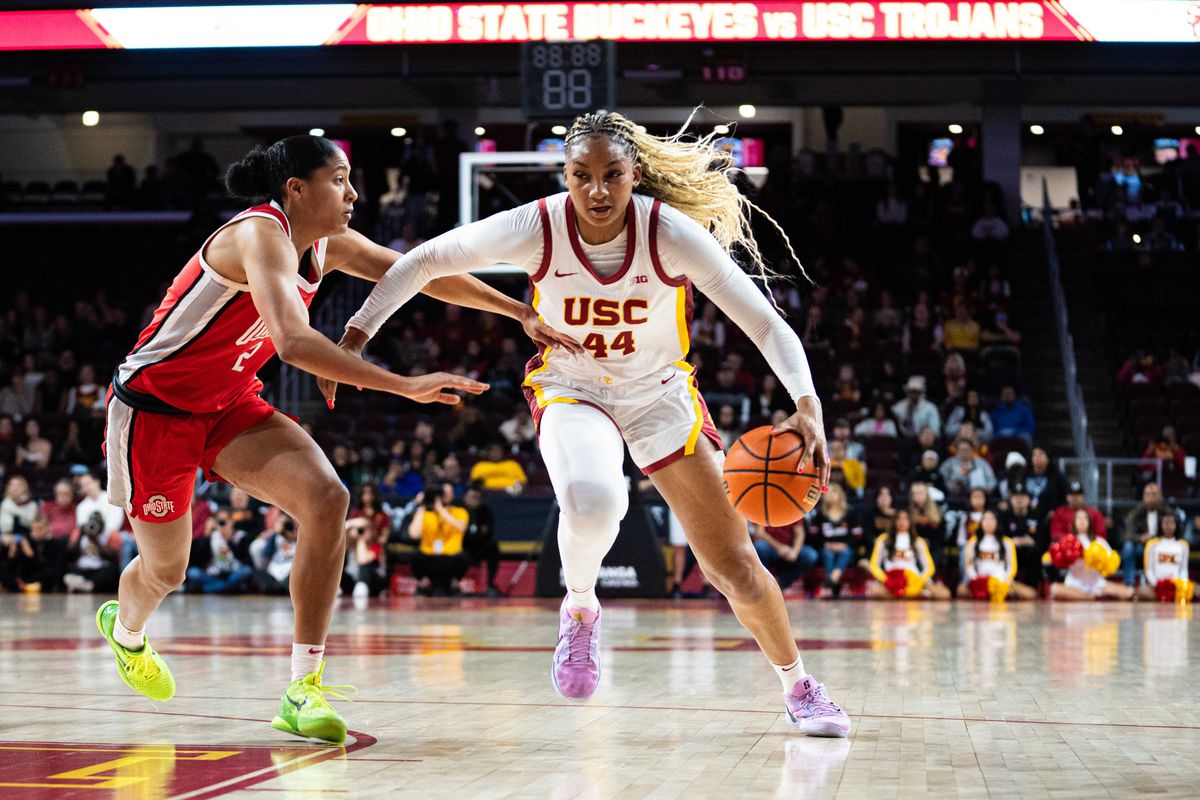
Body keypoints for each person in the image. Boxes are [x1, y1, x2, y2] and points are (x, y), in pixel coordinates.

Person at [325, 110, 850, 736]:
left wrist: (808, 403)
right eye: (582, 175)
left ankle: (799, 686)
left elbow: (764, 322)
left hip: (658, 394)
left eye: (612, 176)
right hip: (571, 387)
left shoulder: (671, 234)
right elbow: (422, 261)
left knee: (733, 566)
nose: (597, 191)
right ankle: (579, 611)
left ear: (635, 176)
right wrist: (355, 334)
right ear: (563, 174)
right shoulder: (536, 224)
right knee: (593, 499)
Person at [95, 135, 573, 745]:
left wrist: (518, 311)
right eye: (340, 180)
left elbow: (421, 272)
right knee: (167, 570)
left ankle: (303, 686)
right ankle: (127, 629)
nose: (353, 193)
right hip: (155, 411)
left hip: (229, 404)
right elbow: (293, 343)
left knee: (328, 499)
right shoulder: (257, 235)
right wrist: (403, 385)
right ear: (296, 189)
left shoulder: (328, 245)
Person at [1050, 509, 1132, 601]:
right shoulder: (1067, 541)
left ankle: (1090, 595)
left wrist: (1100, 560)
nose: (1082, 520)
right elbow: (1057, 560)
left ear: (1090, 522)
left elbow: (1111, 564)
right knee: (1055, 589)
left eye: (1085, 518)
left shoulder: (1099, 541)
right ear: (1073, 522)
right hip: (1074, 584)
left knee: (1129, 592)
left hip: (1097, 583)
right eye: (1079, 518)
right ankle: (1090, 597)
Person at [865, 510, 948, 599]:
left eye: (905, 519)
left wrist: (919, 580)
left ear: (910, 522)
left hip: (913, 578)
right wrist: (885, 579)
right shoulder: (882, 540)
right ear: (894, 521)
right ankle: (913, 595)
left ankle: (907, 594)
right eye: (899, 519)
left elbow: (929, 567)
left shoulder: (918, 541)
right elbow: (874, 565)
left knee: (944, 594)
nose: (902, 522)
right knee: (875, 591)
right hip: (891, 578)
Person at [408, 483, 469, 596]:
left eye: (448, 492)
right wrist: (421, 507)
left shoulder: (459, 511)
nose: (444, 495)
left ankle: (454, 584)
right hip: (429, 555)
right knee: (415, 556)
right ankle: (423, 584)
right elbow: (413, 535)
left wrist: (440, 508)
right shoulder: (424, 514)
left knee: (463, 557)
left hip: (451, 555)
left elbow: (461, 527)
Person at [963, 510, 1037, 600]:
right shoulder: (973, 542)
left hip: (1001, 580)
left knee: (1030, 594)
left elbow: (1011, 567)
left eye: (991, 519)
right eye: (985, 519)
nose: (988, 522)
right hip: (980, 581)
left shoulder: (1007, 542)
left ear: (997, 522)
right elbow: (969, 565)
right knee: (961, 590)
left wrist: (1003, 582)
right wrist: (976, 580)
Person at [1121, 482, 1179, 588]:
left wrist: (1159, 539)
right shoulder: (1136, 512)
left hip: (1162, 546)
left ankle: (1166, 583)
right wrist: (1140, 538)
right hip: (1142, 546)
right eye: (1147, 494)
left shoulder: (1168, 512)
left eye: (1154, 494)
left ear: (1161, 496)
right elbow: (1128, 534)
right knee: (1128, 547)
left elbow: (1177, 532)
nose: (1150, 497)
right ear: (1143, 496)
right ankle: (1129, 584)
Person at [810, 483, 862, 598]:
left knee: (845, 552)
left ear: (840, 495)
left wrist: (844, 544)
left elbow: (857, 536)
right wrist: (826, 544)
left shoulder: (850, 513)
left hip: (846, 548)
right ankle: (834, 581)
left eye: (833, 491)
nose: (828, 494)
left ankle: (832, 579)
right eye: (826, 492)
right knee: (828, 554)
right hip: (826, 548)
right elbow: (813, 536)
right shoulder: (819, 513)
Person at [1136, 513, 1194, 601]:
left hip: (1176, 586)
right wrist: (1158, 585)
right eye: (1165, 523)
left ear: (1177, 525)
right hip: (1157, 586)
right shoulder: (1152, 544)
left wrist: (1181, 585)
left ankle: (1171, 597)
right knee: (1141, 591)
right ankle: (1165, 597)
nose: (1168, 526)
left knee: (1194, 589)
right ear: (1160, 524)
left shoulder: (1183, 545)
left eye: (1172, 523)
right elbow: (1149, 570)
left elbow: (1183, 570)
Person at [752, 520, 819, 593]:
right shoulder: (762, 509)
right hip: (770, 547)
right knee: (760, 546)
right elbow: (759, 533)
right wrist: (779, 547)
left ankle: (779, 583)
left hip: (789, 548)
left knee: (810, 555)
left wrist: (794, 552)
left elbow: (800, 533)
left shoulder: (793, 509)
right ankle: (763, 585)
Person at [999, 488, 1045, 588]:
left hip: (1030, 553)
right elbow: (1000, 537)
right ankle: (1007, 584)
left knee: (1035, 552)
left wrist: (1032, 542)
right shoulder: (1004, 515)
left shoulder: (1036, 515)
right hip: (1010, 551)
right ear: (1010, 499)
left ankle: (1032, 588)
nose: (1019, 499)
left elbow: (1041, 539)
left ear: (1028, 499)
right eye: (1016, 496)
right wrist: (1012, 542)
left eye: (1022, 496)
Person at [462, 486, 501, 597]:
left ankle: (490, 584)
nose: (475, 500)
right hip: (462, 546)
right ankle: (456, 585)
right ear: (465, 498)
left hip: (479, 545)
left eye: (478, 497)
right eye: (472, 497)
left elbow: (486, 532)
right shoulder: (459, 510)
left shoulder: (485, 511)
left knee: (493, 547)